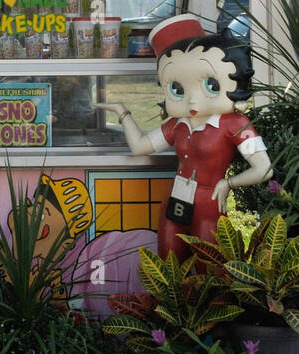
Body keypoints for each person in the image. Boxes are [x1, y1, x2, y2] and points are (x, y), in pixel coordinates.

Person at [103, 14, 271, 260]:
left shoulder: (234, 123)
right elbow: (141, 147)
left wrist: (229, 183)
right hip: (176, 200)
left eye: (211, 85)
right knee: (168, 264)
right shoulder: (178, 124)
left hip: (211, 204)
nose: (192, 100)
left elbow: (264, 169)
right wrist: (123, 113)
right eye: (177, 89)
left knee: (210, 269)